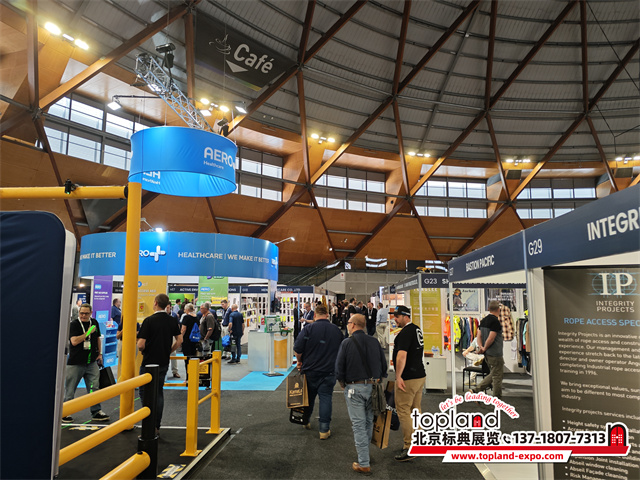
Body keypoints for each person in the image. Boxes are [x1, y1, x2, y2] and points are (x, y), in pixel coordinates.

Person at [335, 314, 387, 475]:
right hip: (373, 388)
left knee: (358, 425)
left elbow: (339, 367)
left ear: (353, 325)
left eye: (348, 322)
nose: (347, 325)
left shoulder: (346, 343)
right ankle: (365, 455)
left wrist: (342, 383)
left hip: (354, 388)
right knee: (368, 422)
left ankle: (364, 462)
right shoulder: (374, 342)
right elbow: (383, 365)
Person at [294, 304, 343, 439]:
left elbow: (298, 349)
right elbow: (343, 350)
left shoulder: (308, 329)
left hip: (310, 370)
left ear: (315, 315)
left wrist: (299, 361)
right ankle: (324, 430)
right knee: (326, 398)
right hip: (329, 371)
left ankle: (306, 421)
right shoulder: (336, 330)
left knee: (308, 398)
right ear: (327, 315)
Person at [137, 293, 182, 434]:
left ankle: (149, 422)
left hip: (149, 361)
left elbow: (140, 345)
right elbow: (180, 340)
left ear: (155, 303)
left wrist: (142, 348)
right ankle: (156, 425)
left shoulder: (149, 321)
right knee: (158, 392)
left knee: (144, 391)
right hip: (163, 361)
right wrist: (169, 351)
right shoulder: (172, 320)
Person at [62, 303, 110, 423]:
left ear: (91, 313)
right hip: (75, 363)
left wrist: (100, 354)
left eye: (86, 313)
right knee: (70, 389)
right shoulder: (74, 324)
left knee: (94, 388)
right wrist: (88, 333)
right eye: (81, 313)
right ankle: (65, 412)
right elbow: (74, 341)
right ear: (79, 313)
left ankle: (96, 411)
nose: (83, 315)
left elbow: (98, 338)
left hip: (91, 362)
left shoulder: (94, 322)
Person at [392, 305, 426, 462]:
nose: (395, 319)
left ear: (406, 316)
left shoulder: (406, 332)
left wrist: (398, 376)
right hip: (419, 375)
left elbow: (401, 356)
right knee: (415, 410)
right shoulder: (416, 329)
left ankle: (409, 446)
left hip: (408, 378)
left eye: (397, 316)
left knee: (403, 411)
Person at [469, 300, 504, 398]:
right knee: (497, 377)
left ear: (488, 309)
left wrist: (481, 347)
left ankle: (475, 390)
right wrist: (484, 347)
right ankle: (496, 399)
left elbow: (478, 335)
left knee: (494, 374)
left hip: (487, 354)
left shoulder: (483, 320)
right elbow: (491, 338)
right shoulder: (495, 322)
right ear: (498, 309)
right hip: (495, 354)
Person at [179, 303, 199, 374]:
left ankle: (188, 375)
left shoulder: (186, 317)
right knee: (193, 358)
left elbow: (183, 329)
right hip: (194, 339)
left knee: (187, 359)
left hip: (187, 340)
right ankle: (193, 374)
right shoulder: (197, 318)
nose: (184, 311)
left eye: (185, 309)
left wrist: (180, 339)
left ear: (187, 309)